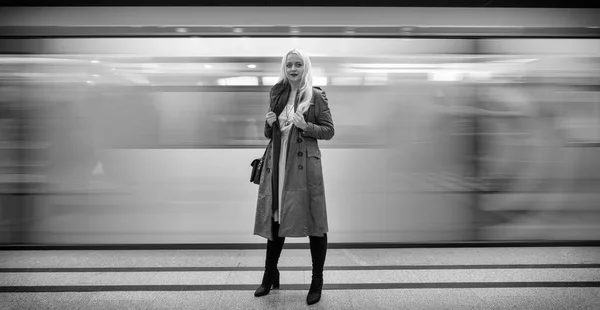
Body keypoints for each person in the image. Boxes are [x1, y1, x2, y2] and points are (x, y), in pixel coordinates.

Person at [253, 48, 334, 305]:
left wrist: (305, 126)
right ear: (284, 67)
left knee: (314, 222)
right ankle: (269, 276)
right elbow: (270, 133)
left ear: (305, 67)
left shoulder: (316, 95)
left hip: (304, 167)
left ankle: (317, 281)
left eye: (298, 64)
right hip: (278, 163)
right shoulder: (277, 92)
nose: (293, 69)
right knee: (275, 219)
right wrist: (269, 123)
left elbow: (329, 131)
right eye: (289, 65)